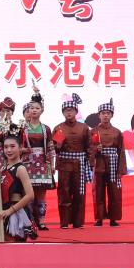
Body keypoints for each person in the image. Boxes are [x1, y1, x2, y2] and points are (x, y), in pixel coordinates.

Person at [52, 94, 92, 229]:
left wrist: (90, 163)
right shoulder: (59, 128)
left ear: (76, 112)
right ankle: (64, 222)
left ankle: (78, 222)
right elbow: (53, 149)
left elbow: (89, 146)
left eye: (71, 110)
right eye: (66, 110)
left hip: (80, 164)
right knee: (64, 192)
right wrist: (58, 145)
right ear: (63, 113)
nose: (68, 113)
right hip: (64, 163)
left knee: (79, 192)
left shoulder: (84, 127)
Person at [19, 92, 55, 230]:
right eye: (31, 108)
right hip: (27, 163)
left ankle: (41, 221)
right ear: (28, 110)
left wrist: (52, 164)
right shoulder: (22, 128)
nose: (34, 110)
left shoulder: (46, 129)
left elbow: (50, 148)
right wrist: (23, 150)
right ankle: (29, 222)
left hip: (42, 163)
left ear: (42, 110)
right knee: (27, 193)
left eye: (37, 108)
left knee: (41, 194)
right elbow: (18, 146)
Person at [90, 99, 127, 227]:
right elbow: (88, 149)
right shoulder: (93, 131)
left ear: (112, 115)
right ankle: (99, 218)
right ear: (99, 115)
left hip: (113, 162)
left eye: (108, 113)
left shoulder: (117, 132)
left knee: (114, 191)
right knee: (98, 190)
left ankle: (113, 218)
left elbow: (121, 150)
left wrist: (121, 169)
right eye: (103, 113)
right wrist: (95, 149)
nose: (105, 115)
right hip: (99, 163)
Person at [0, 128, 38, 242]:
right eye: (6, 147)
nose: (9, 150)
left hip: (15, 213)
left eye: (12, 146)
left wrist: (10, 211)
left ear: (20, 148)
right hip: (3, 211)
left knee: (13, 245)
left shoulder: (20, 169)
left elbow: (30, 195)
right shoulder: (2, 169)